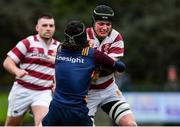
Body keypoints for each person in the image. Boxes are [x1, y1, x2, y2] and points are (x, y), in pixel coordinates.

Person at [42, 20, 126, 126]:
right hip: (76, 112)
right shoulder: (92, 54)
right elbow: (121, 67)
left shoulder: (60, 49)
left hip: (55, 109)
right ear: (83, 38)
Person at [3, 13, 60, 126]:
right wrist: (17, 71)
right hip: (22, 90)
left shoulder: (59, 47)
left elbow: (61, 70)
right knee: (11, 125)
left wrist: (57, 83)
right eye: (44, 25)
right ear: (37, 28)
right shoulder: (27, 42)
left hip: (43, 92)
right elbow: (7, 62)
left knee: (43, 123)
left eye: (51, 25)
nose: (48, 28)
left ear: (54, 28)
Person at [86, 5, 137, 126]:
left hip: (109, 90)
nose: (105, 28)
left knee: (130, 124)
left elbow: (110, 66)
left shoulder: (116, 37)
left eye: (108, 24)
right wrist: (105, 63)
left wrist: (91, 60)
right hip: (86, 93)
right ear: (93, 22)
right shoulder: (83, 35)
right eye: (101, 23)